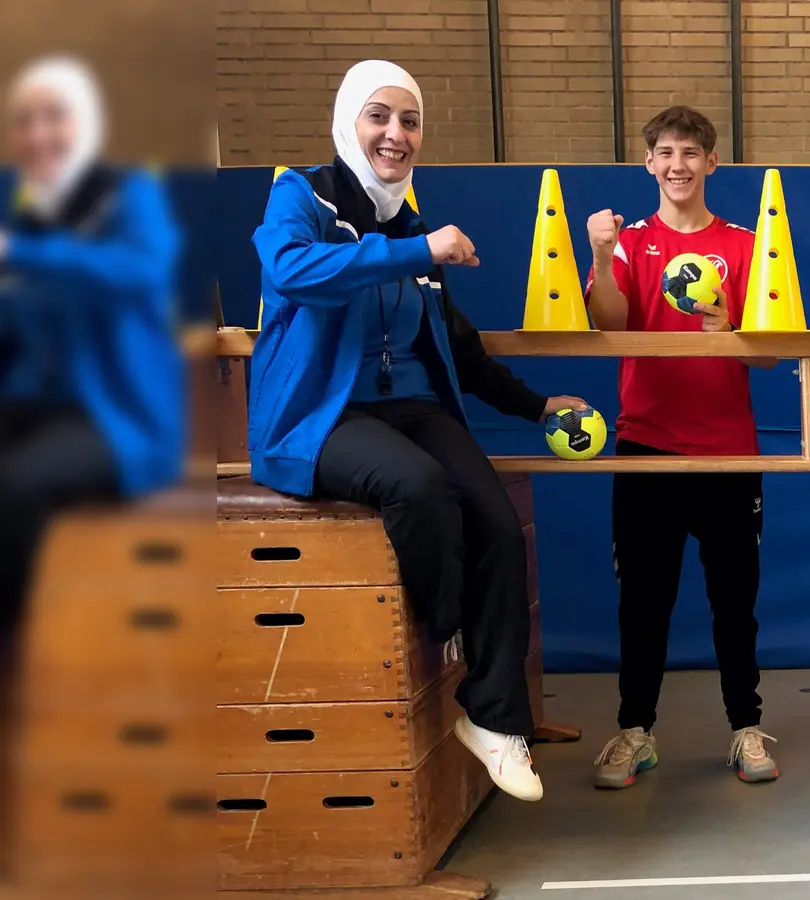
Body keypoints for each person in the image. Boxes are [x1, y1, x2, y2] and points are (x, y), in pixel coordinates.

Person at [249, 59, 587, 803]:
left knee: (498, 523)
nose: (395, 134)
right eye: (379, 116)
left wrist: (536, 407)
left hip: (412, 407)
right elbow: (292, 270)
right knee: (418, 485)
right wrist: (419, 251)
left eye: (409, 120)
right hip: (322, 415)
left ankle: (494, 721)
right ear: (348, 122)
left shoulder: (411, 223)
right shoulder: (300, 196)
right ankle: (456, 628)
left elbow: (457, 348)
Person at [584, 105, 780, 789]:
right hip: (646, 447)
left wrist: (732, 329)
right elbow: (608, 325)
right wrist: (601, 256)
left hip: (728, 453)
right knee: (643, 600)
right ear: (649, 163)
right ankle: (634, 732)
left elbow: (768, 359)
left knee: (735, 600)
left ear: (711, 163)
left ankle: (745, 729)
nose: (677, 165)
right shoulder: (630, 244)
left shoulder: (748, 245)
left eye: (691, 153)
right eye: (665, 152)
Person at [0, 55, 185, 664]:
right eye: (26, 120)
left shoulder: (130, 196)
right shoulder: (24, 209)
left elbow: (142, 270)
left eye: (55, 116)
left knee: (15, 486)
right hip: (36, 406)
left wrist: (24, 253)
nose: (39, 134)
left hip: (119, 421)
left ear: (87, 122)